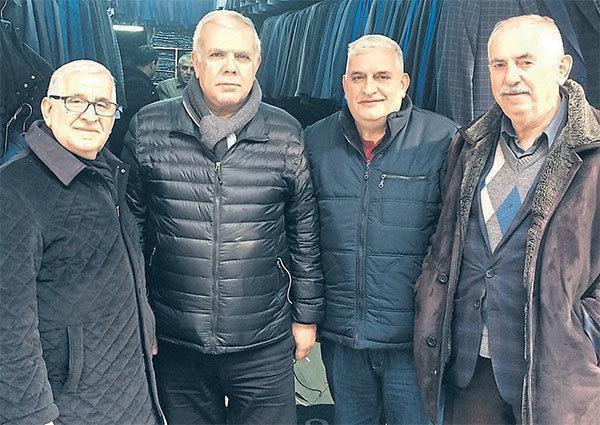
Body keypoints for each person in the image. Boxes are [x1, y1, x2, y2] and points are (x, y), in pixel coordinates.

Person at [121, 10, 324, 425]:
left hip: (263, 336)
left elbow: (304, 230)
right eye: (217, 54)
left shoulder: (285, 132)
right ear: (195, 61)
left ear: (257, 63)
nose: (230, 66)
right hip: (176, 335)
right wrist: (140, 315)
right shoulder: (149, 128)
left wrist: (306, 315)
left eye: (242, 56)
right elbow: (131, 234)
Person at [414, 15, 600, 425]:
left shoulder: (594, 150)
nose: (510, 77)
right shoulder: (469, 145)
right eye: (498, 64)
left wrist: (584, 330)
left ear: (563, 68)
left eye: (525, 62)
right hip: (471, 372)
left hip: (558, 376)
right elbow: (444, 242)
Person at [0, 60, 164, 425]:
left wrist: (145, 320)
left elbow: (122, 259)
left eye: (103, 104)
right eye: (75, 101)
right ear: (48, 108)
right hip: (72, 407)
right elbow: (7, 319)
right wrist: (31, 415)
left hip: (129, 389)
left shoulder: (106, 171)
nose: (90, 115)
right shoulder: (15, 191)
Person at [304, 34, 458, 425]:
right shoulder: (315, 141)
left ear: (403, 83)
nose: (369, 88)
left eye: (382, 76)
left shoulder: (442, 139)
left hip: (414, 342)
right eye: (358, 77)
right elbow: (303, 236)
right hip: (343, 339)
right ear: (344, 85)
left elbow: (454, 241)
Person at [108, 45, 159, 156]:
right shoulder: (140, 85)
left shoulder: (123, 78)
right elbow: (143, 117)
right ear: (152, 64)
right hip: (131, 140)